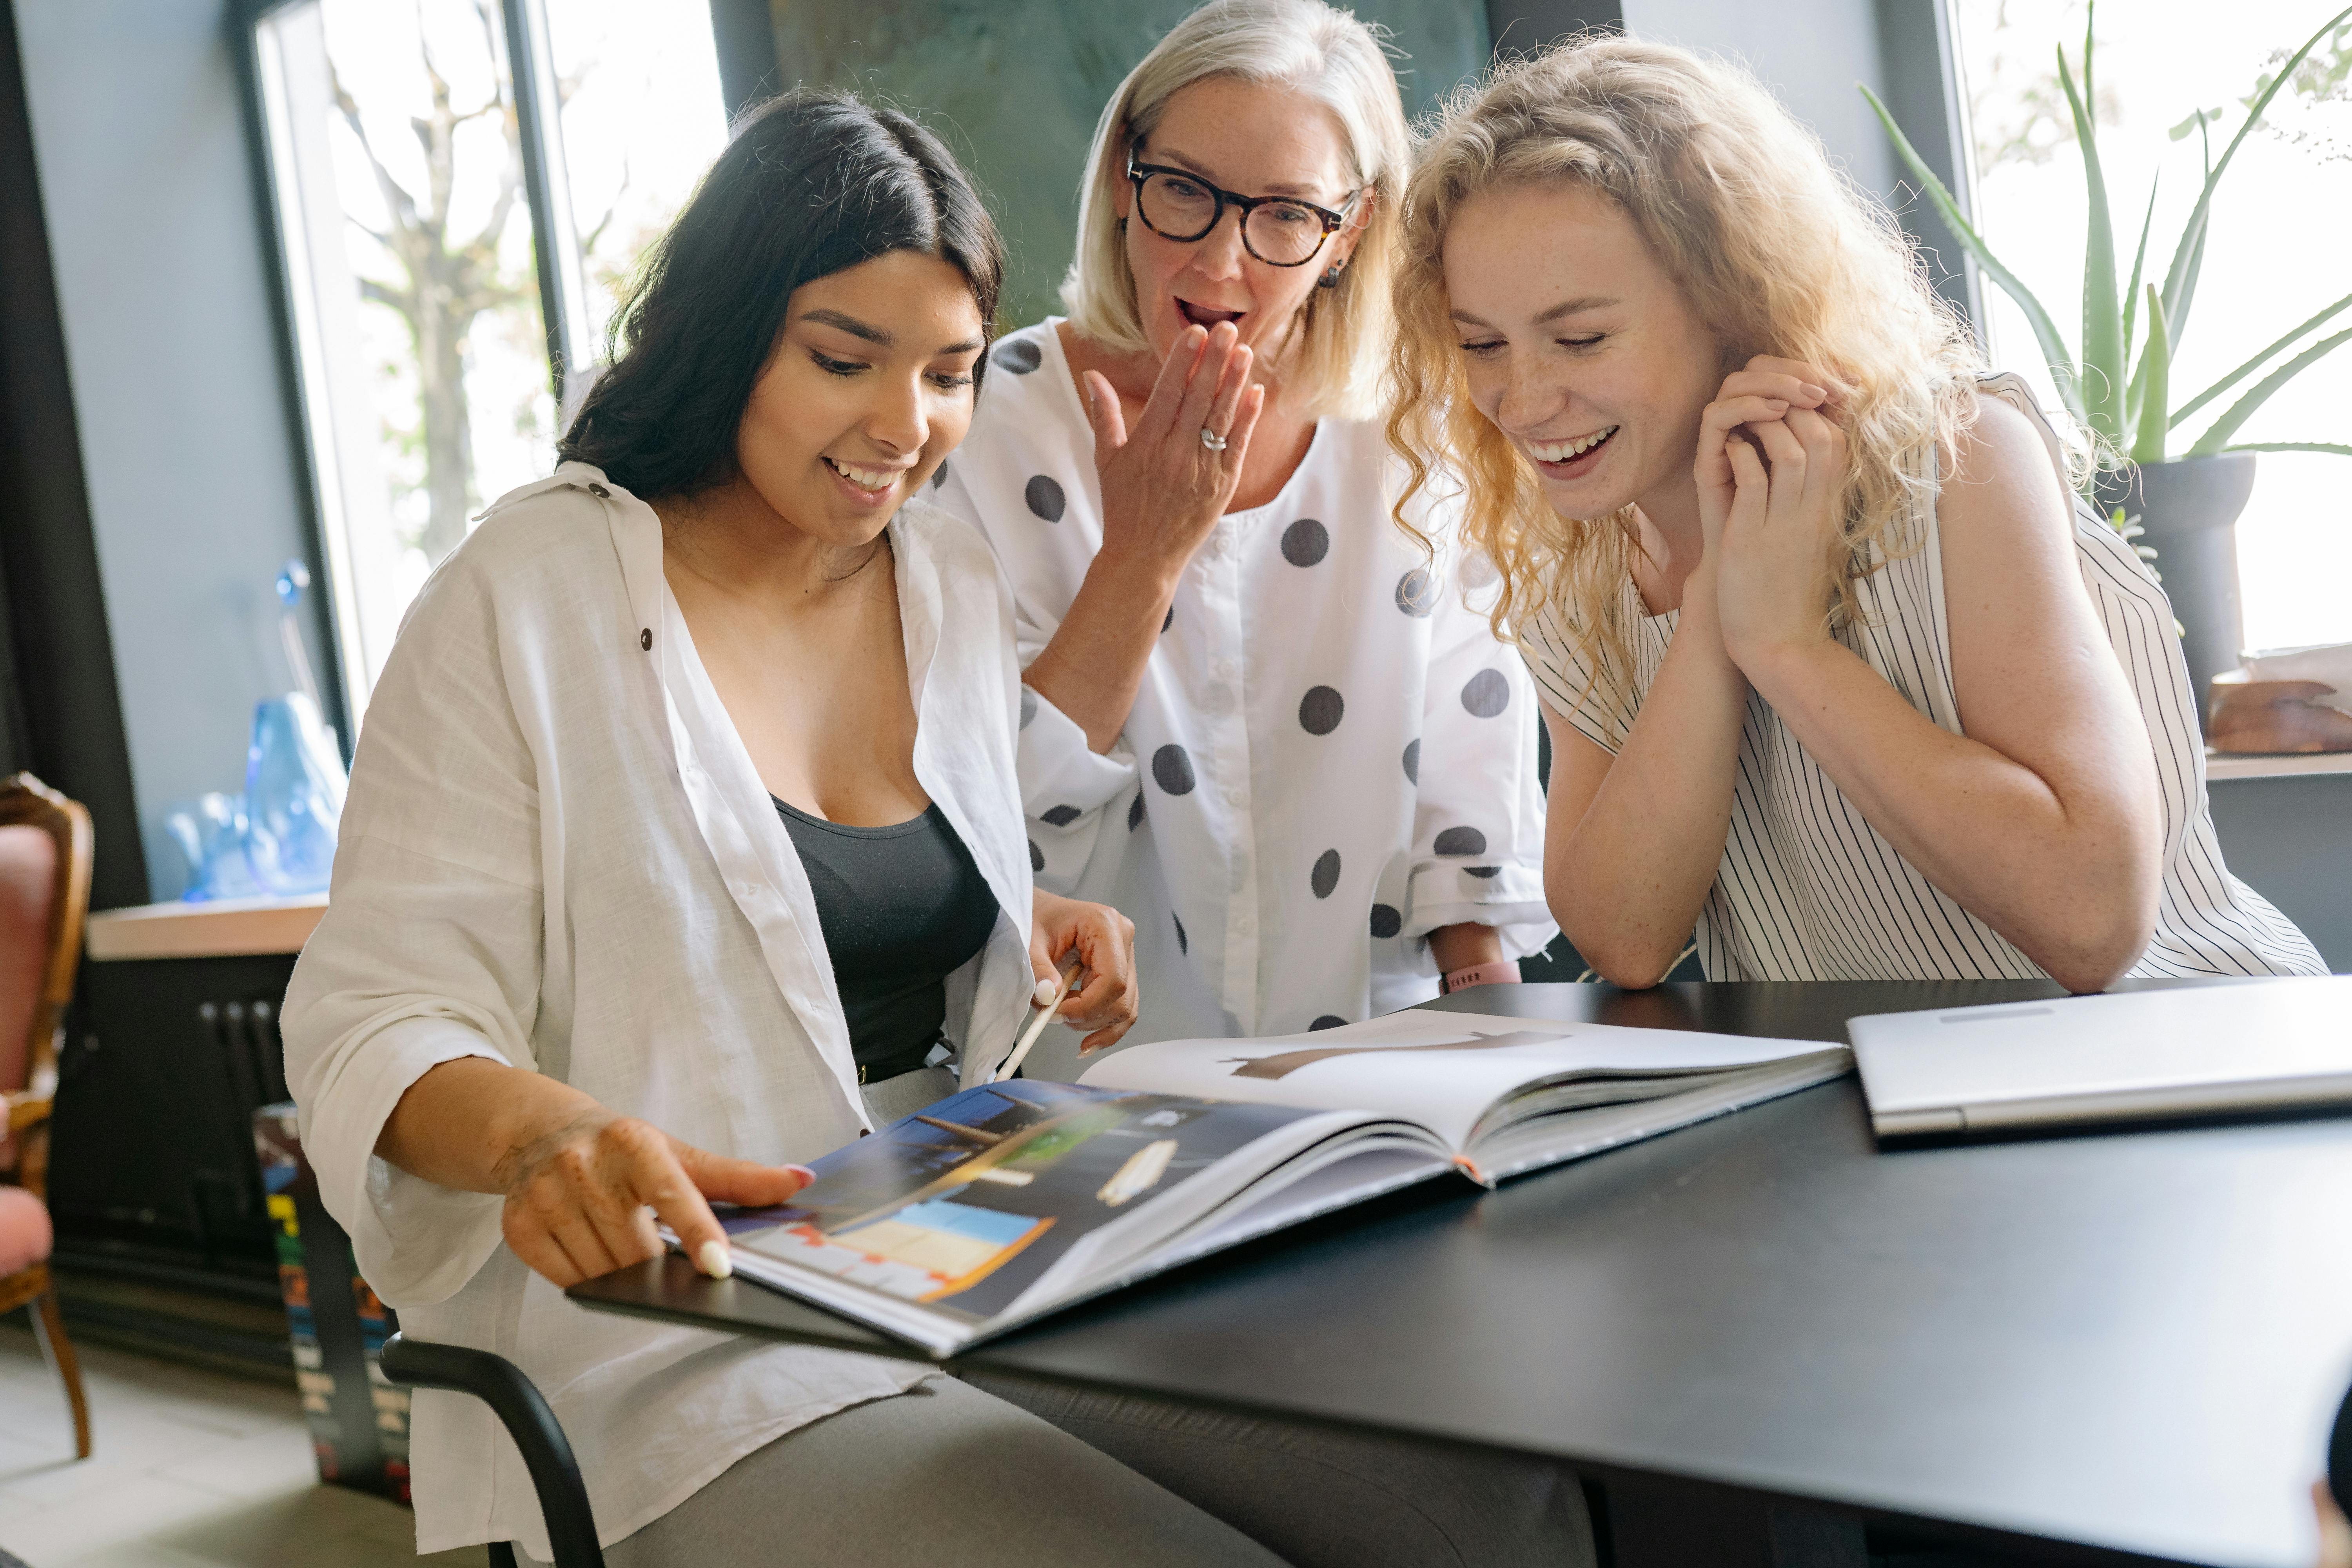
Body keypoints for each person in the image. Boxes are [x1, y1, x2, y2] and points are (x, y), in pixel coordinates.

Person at [281, 90, 1290, 1568]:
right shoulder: (525, 597)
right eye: (843, 360)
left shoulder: (936, 577)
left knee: (1471, 1507)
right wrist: (548, 1133)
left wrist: (1019, 922)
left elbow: (860, 906)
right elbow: (374, 1019)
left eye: (949, 374)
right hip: (677, 1341)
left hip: (961, 1264)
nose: (904, 427)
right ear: (728, 335)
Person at [1388, 38, 2323, 989]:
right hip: (1889, 1096)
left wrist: (1788, 645)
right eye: (1483, 344)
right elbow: (1623, 939)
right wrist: (1718, 605)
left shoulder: (1956, 457)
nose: (1523, 400)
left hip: (2186, 1059)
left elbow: (2094, 920)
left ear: (1729, 297)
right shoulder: (1577, 556)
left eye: (1580, 338)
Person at [934, 0, 1555, 1075]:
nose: (1220, 263)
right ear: (1125, 183)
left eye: (1282, 217)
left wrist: (1494, 1040)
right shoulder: (986, 425)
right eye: (1184, 192)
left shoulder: (1417, 433)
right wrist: (1143, 550)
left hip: (1377, 1066)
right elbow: (985, 821)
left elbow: (1471, 774)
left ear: (1349, 233)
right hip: (1089, 1075)